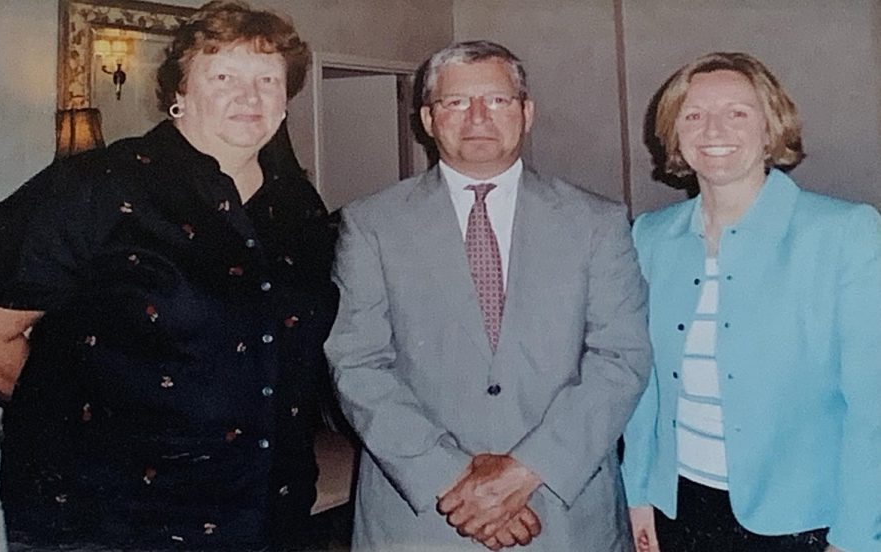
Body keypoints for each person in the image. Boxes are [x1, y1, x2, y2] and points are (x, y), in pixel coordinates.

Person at [0, 1, 338, 550]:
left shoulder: (298, 207)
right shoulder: (99, 186)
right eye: (223, 76)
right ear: (179, 92)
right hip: (114, 520)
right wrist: (76, 428)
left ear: (286, 100)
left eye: (268, 79)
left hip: (270, 511)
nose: (249, 96)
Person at [324, 40, 652, 551]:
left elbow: (621, 360)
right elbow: (358, 364)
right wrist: (452, 479)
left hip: (562, 513)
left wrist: (525, 472)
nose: (477, 116)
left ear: (526, 113)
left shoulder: (597, 224)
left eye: (496, 100)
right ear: (428, 120)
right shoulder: (371, 224)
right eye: (456, 103)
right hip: (424, 515)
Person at [622, 52, 881, 552]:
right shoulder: (650, 238)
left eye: (737, 112)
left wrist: (857, 539)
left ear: (771, 128)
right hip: (678, 511)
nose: (713, 129)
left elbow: (873, 411)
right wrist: (639, 495)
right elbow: (643, 388)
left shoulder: (843, 234)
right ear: (674, 134)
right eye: (693, 115)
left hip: (802, 522)